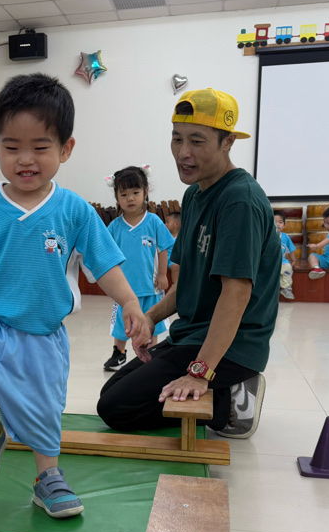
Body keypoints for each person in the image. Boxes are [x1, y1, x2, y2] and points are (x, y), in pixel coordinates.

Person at [0, 73, 151, 519]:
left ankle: (48, 477)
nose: (25, 159)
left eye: (40, 147)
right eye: (12, 147)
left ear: (66, 149)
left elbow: (105, 264)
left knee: (44, 413)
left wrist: (129, 302)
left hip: (43, 336)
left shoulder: (75, 210)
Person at [97, 87, 281, 439]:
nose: (184, 152)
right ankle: (219, 389)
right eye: (177, 138)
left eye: (197, 141)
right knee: (112, 392)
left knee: (117, 408)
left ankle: (230, 398)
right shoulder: (194, 195)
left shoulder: (239, 201)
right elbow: (186, 285)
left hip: (234, 345)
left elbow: (236, 294)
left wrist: (200, 372)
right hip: (192, 334)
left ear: (228, 142)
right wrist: (151, 317)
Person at [102, 166, 176, 371]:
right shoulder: (114, 227)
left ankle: (150, 353)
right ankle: (119, 353)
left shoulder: (154, 222)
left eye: (135, 192)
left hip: (150, 287)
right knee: (121, 323)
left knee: (152, 320)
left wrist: (163, 274)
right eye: (124, 194)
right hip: (124, 290)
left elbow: (164, 248)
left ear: (145, 192)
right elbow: (105, 253)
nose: (130, 198)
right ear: (117, 197)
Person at [275, 209, 296, 300]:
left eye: (280, 222)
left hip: (282, 261)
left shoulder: (285, 237)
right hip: (271, 262)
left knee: (288, 268)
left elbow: (291, 250)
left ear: (284, 224)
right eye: (275, 222)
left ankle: (286, 288)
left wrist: (293, 260)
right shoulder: (267, 237)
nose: (278, 224)